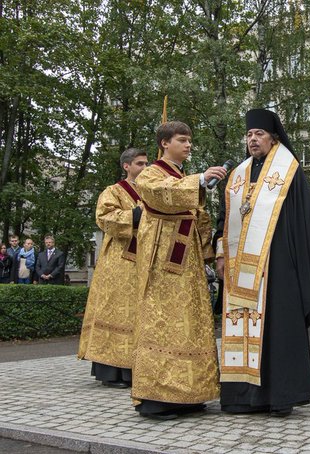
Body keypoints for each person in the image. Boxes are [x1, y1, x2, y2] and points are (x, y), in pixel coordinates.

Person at [216, 108, 310, 417]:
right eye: (249, 135)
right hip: (239, 268)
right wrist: (219, 252)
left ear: (274, 138)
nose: (253, 140)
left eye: (259, 135)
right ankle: (242, 397)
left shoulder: (288, 170)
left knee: (277, 328)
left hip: (278, 265)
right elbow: (224, 220)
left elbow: (303, 220)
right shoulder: (237, 175)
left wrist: (293, 262)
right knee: (241, 327)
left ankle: (280, 396)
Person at [132, 121, 227, 420]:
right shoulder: (152, 173)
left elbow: (198, 217)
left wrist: (212, 253)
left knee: (191, 324)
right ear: (164, 143)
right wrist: (200, 180)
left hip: (188, 262)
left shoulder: (181, 175)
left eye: (189, 141)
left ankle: (188, 394)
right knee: (164, 323)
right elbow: (159, 193)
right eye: (182, 140)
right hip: (163, 264)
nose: (188, 146)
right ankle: (157, 398)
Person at [78, 148, 148, 388]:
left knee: (137, 315)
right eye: (140, 164)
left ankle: (135, 368)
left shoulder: (152, 191)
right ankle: (112, 372)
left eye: (147, 164)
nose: (144, 168)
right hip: (118, 263)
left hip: (143, 262)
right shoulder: (113, 192)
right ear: (126, 166)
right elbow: (105, 219)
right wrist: (137, 215)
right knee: (117, 312)